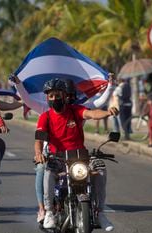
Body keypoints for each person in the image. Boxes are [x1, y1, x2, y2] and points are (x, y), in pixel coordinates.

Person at [35, 78, 118, 230]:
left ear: (65, 96)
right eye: (51, 96)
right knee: (47, 172)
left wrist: (107, 113)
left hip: (80, 157)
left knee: (99, 168)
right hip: (58, 158)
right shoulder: (45, 117)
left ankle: (100, 213)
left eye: (58, 95)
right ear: (47, 98)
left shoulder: (75, 111)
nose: (55, 99)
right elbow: (39, 139)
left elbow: (92, 114)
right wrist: (39, 153)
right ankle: (49, 212)